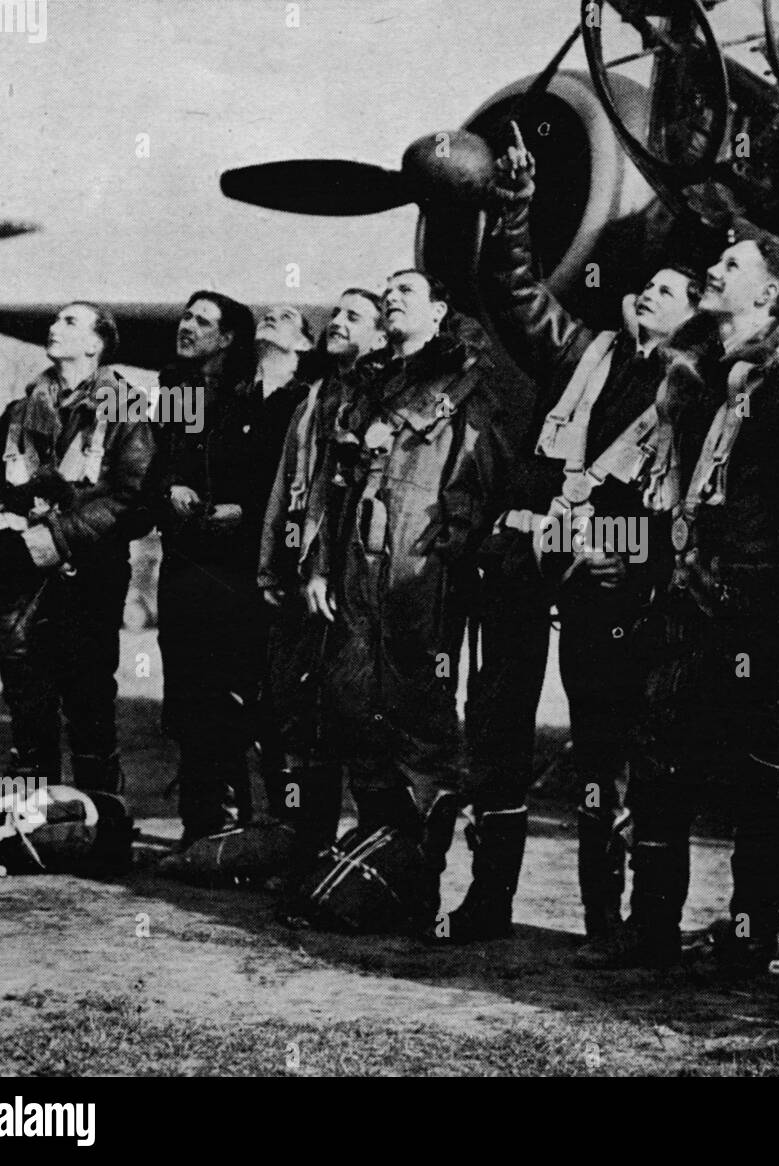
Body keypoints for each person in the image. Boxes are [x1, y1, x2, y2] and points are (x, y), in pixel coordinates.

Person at [465, 124, 701, 946]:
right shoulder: (582, 351)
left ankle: (609, 918)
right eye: (648, 286)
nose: (648, 292)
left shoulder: (703, 395)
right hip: (530, 558)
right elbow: (516, 292)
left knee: (605, 748)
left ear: (696, 319)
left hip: (617, 586)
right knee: (497, 725)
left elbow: (694, 516)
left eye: (671, 292)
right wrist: (516, 208)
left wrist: (622, 556)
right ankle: (487, 899)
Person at [607, 221, 779, 970]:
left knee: (762, 782)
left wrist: (769, 612)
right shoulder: (700, 384)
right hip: (683, 609)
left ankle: (750, 938)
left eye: (730, 264)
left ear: (768, 293)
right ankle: (649, 931)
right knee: (657, 770)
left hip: (758, 622)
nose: (713, 269)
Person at [305, 270, 518, 926]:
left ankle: (418, 881)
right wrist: (317, 566)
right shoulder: (363, 387)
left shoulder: (465, 384)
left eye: (408, 291)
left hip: (419, 579)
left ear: (439, 309)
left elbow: (482, 477)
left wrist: (449, 555)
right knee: (357, 712)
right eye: (387, 289)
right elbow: (331, 488)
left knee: (420, 726)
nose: (392, 296)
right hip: (354, 577)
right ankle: (378, 877)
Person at [0, 302, 155, 794]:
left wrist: (58, 536)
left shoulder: (127, 411)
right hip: (17, 579)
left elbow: (132, 498)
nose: (53, 326)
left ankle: (103, 828)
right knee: (26, 699)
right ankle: (32, 826)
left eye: (70, 321)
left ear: (96, 344)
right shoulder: (20, 412)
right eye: (55, 319)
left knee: (88, 700)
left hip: (86, 576)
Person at [258, 288, 386, 859]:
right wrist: (272, 564)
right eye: (335, 314)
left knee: (356, 718)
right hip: (306, 582)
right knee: (301, 720)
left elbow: (355, 501)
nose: (336, 322)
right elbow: (288, 487)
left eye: (353, 317)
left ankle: (370, 861)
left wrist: (321, 570)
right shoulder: (315, 397)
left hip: (353, 583)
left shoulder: (385, 396)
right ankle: (309, 852)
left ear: (381, 336)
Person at [151, 290, 263, 846]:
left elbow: (278, 479)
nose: (186, 325)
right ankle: (202, 828)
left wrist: (245, 513)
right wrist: (165, 489)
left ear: (228, 338)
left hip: (239, 574)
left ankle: (236, 825)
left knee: (234, 701)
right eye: (185, 315)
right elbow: (145, 470)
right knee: (187, 698)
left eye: (202, 320)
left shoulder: (255, 397)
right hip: (184, 569)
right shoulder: (173, 392)